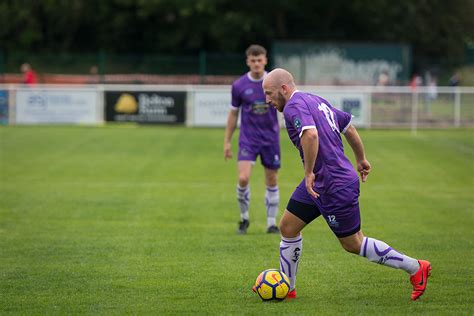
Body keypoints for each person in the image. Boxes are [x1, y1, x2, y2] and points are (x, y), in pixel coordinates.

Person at [259, 68, 431, 300]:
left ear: (284, 89)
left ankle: (415, 268)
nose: (267, 100)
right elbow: (348, 126)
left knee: (353, 243)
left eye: (269, 94)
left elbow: (310, 135)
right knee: (288, 227)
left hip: (333, 184)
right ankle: (287, 287)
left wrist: (309, 172)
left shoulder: (292, 106)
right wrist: (360, 158)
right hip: (320, 181)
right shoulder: (316, 100)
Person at [224, 45, 281, 234]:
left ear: (265, 60)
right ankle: (244, 218)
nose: (256, 63)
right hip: (248, 139)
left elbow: (286, 106)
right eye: (253, 60)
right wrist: (227, 141)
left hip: (271, 139)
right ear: (248, 61)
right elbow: (233, 115)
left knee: (271, 180)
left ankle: (271, 223)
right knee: (243, 177)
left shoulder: (274, 83)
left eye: (260, 60)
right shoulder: (239, 85)